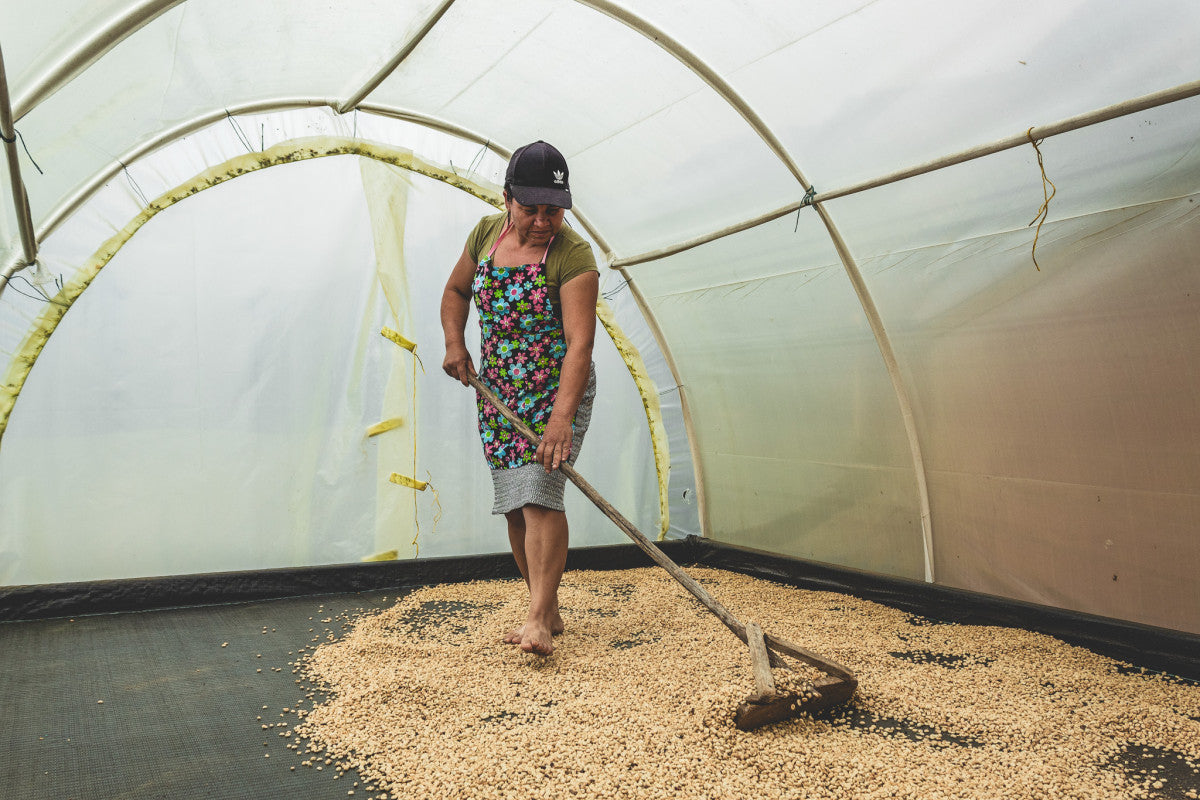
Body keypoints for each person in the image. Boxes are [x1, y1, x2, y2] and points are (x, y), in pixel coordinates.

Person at [441, 141, 599, 656]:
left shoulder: (573, 255)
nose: (540, 221)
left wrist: (561, 420)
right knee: (514, 505)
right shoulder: (485, 235)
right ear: (506, 198)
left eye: (551, 211)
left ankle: (535, 620)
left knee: (538, 497)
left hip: (556, 392)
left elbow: (580, 344)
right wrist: (454, 343)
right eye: (529, 209)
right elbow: (456, 292)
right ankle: (546, 607)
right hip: (500, 391)